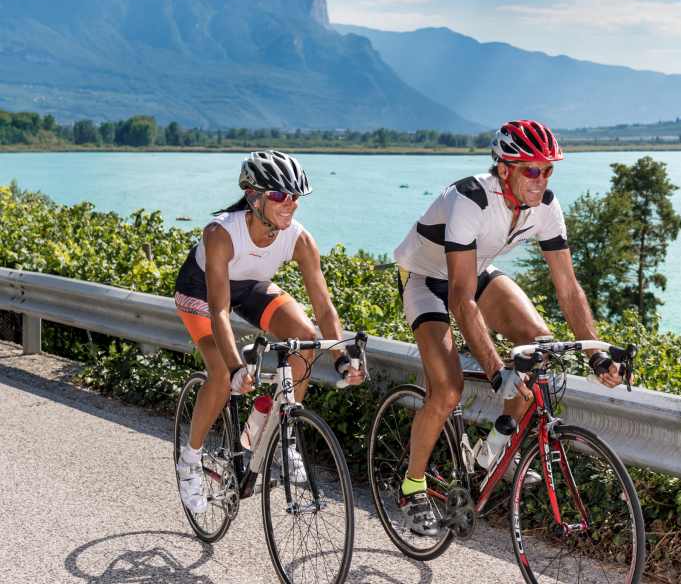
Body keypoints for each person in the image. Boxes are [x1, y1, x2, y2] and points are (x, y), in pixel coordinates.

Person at [393, 119, 624, 535]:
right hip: (427, 279)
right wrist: (497, 370)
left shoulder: (546, 207)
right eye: (531, 169)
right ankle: (412, 487)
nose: (541, 179)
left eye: (548, 169)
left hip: (475, 271)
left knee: (539, 347)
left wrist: (596, 352)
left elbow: (569, 289)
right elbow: (460, 298)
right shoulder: (469, 199)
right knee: (447, 390)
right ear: (504, 169)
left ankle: (495, 447)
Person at [174, 150, 364, 514]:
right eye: (279, 195)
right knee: (220, 373)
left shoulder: (299, 238)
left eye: (294, 196)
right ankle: (190, 460)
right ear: (253, 196)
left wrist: (342, 357)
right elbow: (219, 309)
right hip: (201, 294)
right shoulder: (220, 232)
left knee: (304, 338)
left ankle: (279, 434)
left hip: (251, 288)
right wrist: (235, 367)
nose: (289, 203)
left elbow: (324, 308)